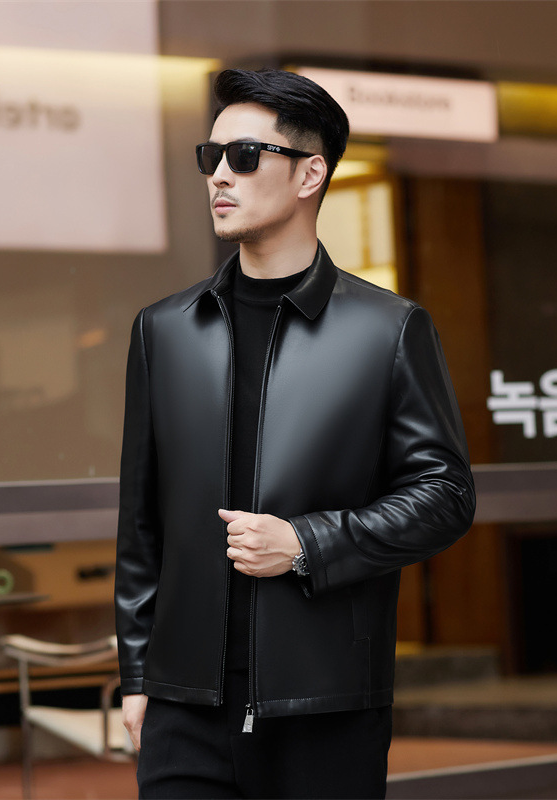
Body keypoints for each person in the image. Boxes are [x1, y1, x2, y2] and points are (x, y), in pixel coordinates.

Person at [115, 68, 475, 799]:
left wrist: (307, 542)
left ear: (311, 174)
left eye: (245, 156)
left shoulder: (388, 329)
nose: (220, 175)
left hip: (326, 702)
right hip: (184, 707)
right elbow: (141, 523)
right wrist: (138, 675)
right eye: (210, 156)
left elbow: (445, 495)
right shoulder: (164, 331)